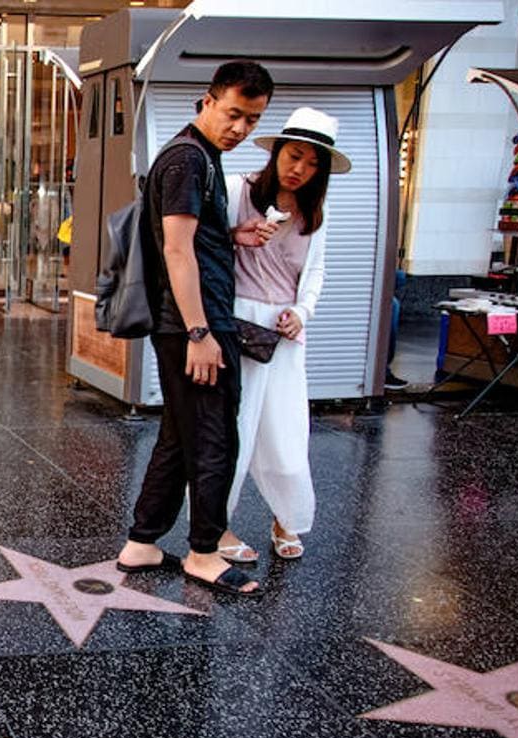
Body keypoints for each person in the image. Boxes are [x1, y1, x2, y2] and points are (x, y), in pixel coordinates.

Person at [115, 60, 274, 598]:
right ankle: (204, 553)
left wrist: (229, 234)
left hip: (190, 321)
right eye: (233, 113)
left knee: (181, 436)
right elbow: (176, 251)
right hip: (195, 324)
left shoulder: (198, 158)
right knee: (214, 439)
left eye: (252, 120)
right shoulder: (188, 159)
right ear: (207, 102)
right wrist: (200, 334)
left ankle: (142, 541)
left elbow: (191, 240)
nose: (240, 128)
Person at [215, 108, 349, 565]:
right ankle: (216, 525)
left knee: (288, 431)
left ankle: (285, 517)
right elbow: (205, 243)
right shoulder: (240, 190)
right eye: (294, 156)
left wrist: (303, 312)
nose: (300, 169)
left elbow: (317, 270)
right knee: (233, 429)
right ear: (276, 153)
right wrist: (238, 235)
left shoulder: (315, 212)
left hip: (285, 330)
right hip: (238, 323)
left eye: (313, 164)